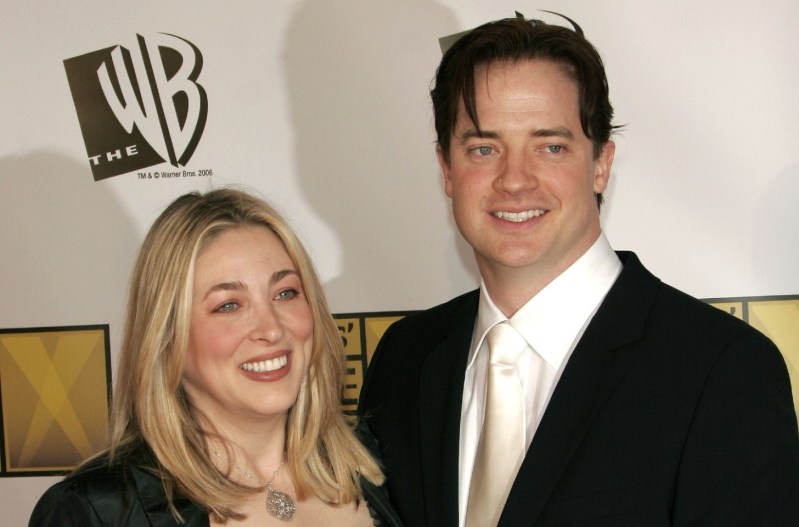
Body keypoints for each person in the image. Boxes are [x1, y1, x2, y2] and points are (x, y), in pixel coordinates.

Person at [358, 13, 799, 527]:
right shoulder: (404, 359)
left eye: (550, 146)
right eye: (484, 148)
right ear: (447, 170)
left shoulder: (720, 372)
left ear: (601, 163)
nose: (515, 180)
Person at [30, 188, 403, 526]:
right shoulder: (95, 512)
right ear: (167, 337)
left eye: (285, 293)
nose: (271, 329)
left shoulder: (380, 463)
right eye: (228, 305)